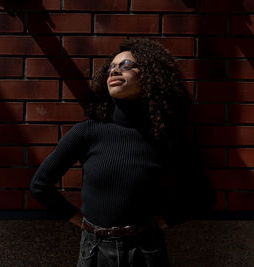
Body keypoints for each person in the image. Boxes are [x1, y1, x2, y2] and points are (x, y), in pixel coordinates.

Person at [30, 39, 215, 267]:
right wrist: (85, 225)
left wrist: (163, 223)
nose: (115, 70)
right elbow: (40, 185)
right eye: (111, 67)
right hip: (94, 251)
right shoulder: (88, 131)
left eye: (126, 64)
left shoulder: (165, 137)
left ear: (148, 75)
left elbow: (204, 197)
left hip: (146, 250)